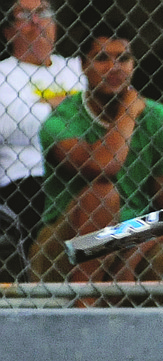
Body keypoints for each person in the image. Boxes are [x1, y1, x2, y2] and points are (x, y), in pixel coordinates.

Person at [27, 22, 163, 302]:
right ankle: (86, 304)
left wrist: (132, 258)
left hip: (135, 239)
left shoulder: (157, 119)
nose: (114, 67)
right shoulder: (63, 118)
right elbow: (104, 166)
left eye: (123, 58)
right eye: (102, 58)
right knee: (103, 194)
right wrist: (128, 114)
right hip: (66, 248)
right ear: (83, 65)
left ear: (134, 64)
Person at [0, 0, 85, 266]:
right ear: (9, 31)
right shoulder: (3, 74)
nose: (35, 21)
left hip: (86, 167)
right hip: (27, 177)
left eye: (42, 13)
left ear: (56, 26)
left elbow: (106, 118)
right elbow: (12, 127)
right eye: (24, 15)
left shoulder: (76, 67)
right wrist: (74, 107)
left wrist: (42, 107)